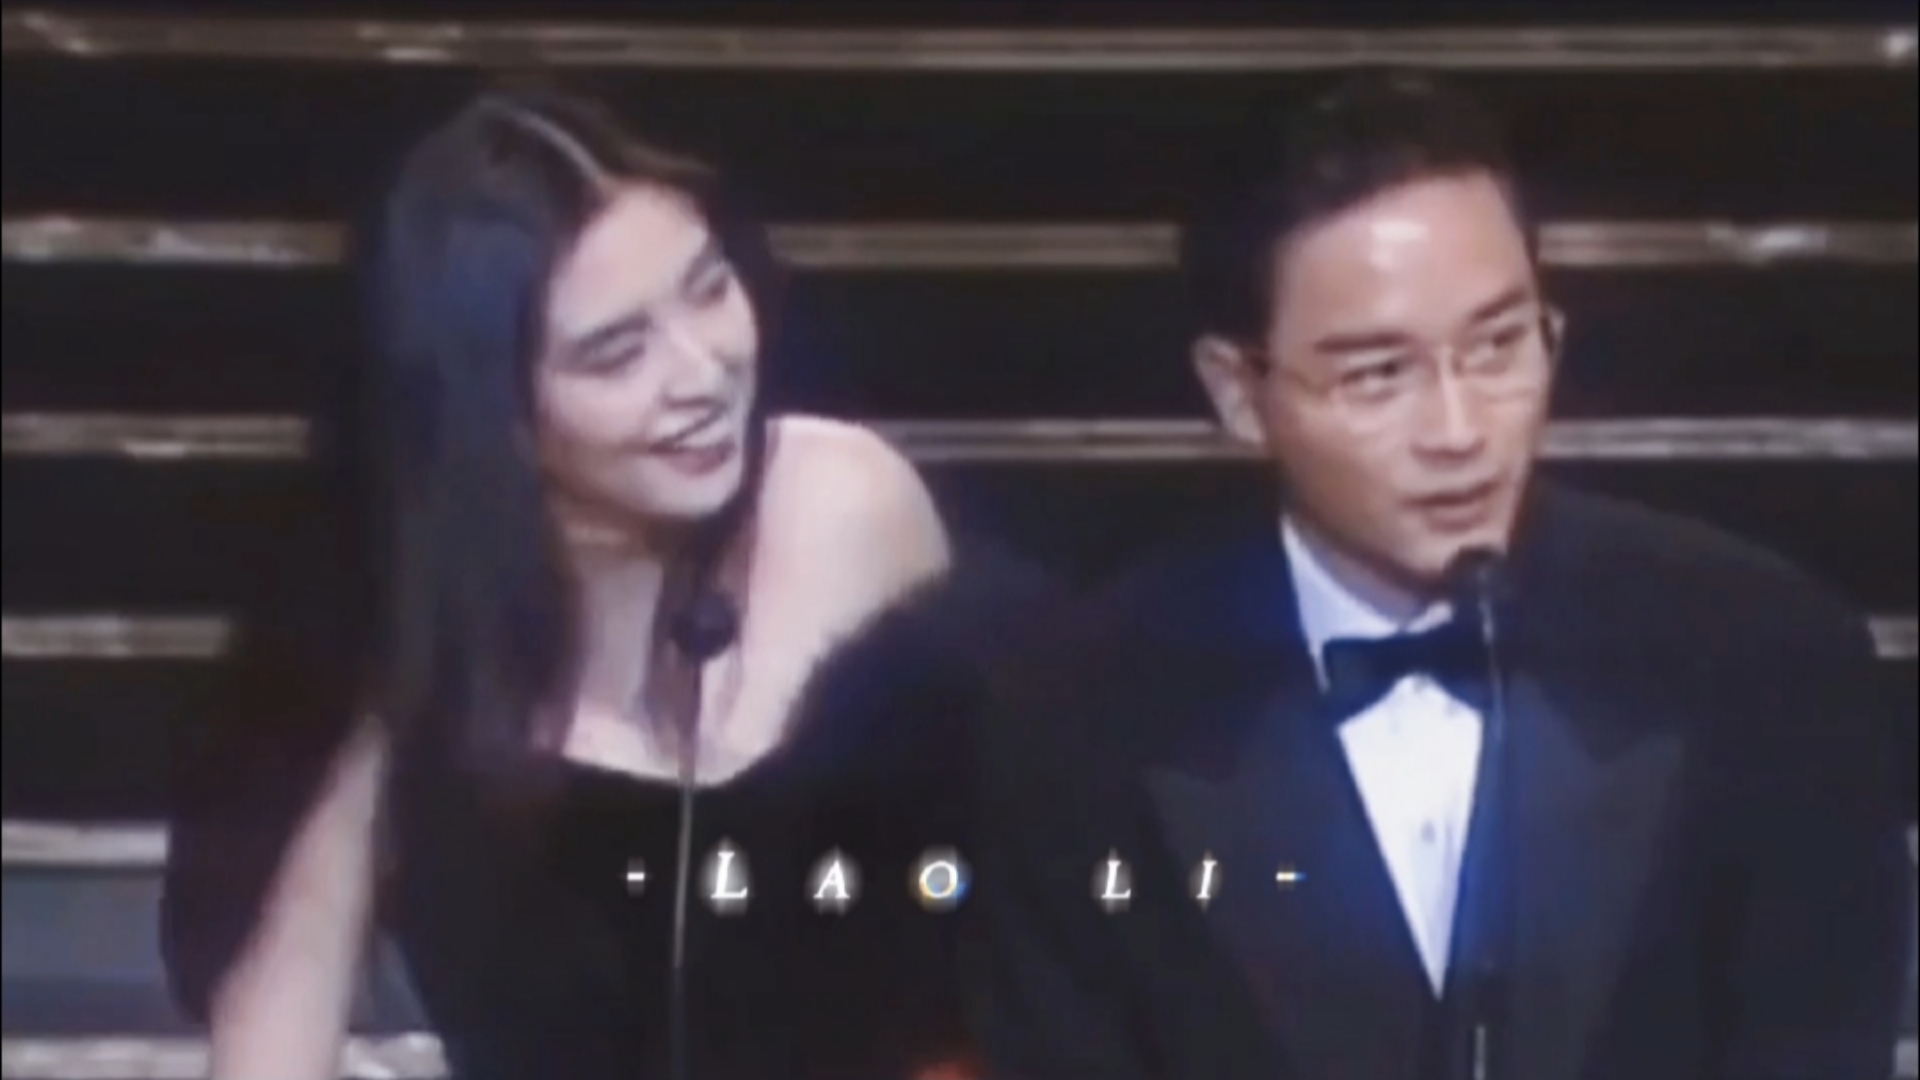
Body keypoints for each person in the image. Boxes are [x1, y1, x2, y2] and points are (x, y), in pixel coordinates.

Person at [963, 71, 1910, 1080]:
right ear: (1239, 393)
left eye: (1498, 347)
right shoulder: (1079, 716)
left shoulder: (1766, 660)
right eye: (1378, 374)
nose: (1459, 431)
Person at [160, 88, 1035, 1080]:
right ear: (496, 416)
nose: (702, 374)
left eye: (709, 288)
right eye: (617, 355)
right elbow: (276, 1030)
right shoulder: (395, 640)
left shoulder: (845, 504)